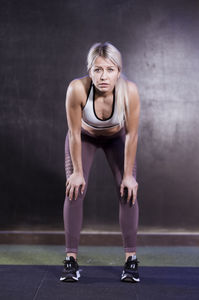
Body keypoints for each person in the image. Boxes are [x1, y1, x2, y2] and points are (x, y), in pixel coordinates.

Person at [60, 42, 140, 283]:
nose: (104, 76)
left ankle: (131, 260)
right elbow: (74, 133)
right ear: (89, 70)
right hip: (84, 138)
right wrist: (77, 172)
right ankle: (71, 260)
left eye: (110, 69)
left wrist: (128, 175)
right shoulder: (77, 89)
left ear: (119, 70)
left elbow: (133, 135)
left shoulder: (130, 91)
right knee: (74, 189)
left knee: (128, 190)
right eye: (97, 70)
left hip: (117, 139)